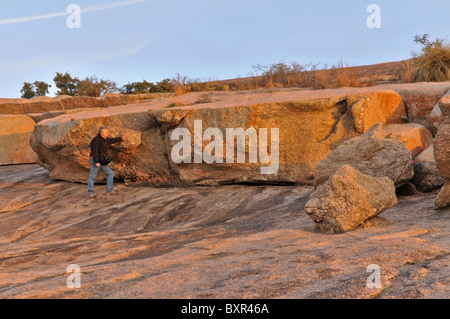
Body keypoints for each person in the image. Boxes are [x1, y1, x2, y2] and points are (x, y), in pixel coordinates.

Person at [87, 126, 127, 197]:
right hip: (95, 160)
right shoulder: (96, 140)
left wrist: (121, 138)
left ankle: (109, 191)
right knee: (92, 176)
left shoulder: (106, 139)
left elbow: (112, 140)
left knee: (110, 173)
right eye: (106, 132)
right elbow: (94, 151)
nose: (108, 133)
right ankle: (90, 193)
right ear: (101, 133)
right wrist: (96, 162)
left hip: (102, 161)